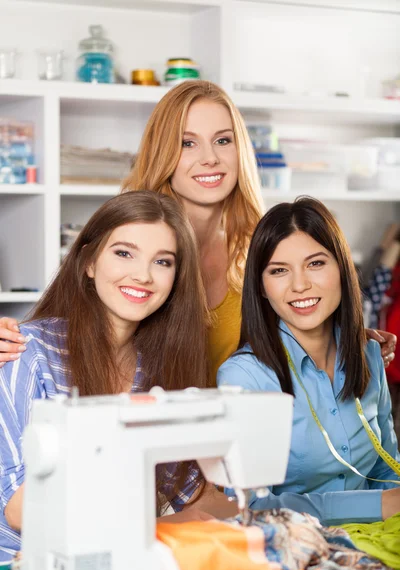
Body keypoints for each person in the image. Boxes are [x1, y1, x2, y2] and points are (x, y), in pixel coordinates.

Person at [0, 81, 396, 383]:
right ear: (163, 153)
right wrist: (13, 338)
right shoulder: (128, 238)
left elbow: (289, 333)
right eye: (187, 143)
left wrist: (344, 336)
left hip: (232, 450)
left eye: (223, 140)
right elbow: (63, 332)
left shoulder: (262, 248)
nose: (210, 157)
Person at [0, 190, 210, 564]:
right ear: (89, 262)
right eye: (124, 253)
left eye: (162, 262)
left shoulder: (158, 370)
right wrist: (162, 526)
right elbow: (21, 508)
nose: (143, 275)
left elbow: (198, 496)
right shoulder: (27, 352)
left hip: (106, 566)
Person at [217, 196, 400, 526]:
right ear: (260, 286)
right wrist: (373, 506)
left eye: (316, 264)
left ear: (343, 268)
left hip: (375, 545)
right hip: (293, 551)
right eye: (279, 271)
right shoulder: (244, 379)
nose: (300, 285)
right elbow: (251, 508)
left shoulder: (370, 353)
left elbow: (387, 472)